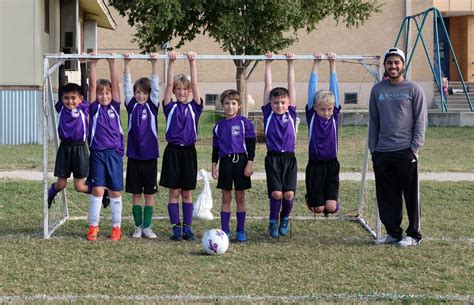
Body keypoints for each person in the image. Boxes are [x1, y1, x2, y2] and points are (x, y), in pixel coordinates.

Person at [369, 47, 427, 247]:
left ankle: (413, 235)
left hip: (405, 151)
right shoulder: (377, 90)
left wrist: (415, 147)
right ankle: (393, 233)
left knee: (410, 194)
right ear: (384, 65)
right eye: (389, 63)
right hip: (382, 152)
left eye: (396, 63)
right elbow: (374, 121)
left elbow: (421, 120)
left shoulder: (413, 89)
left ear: (403, 65)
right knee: (387, 195)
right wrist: (373, 149)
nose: (393, 66)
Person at [159, 51, 203, 241]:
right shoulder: (170, 107)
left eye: (185, 90)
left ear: (189, 92)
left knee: (187, 193)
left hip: (189, 153)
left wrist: (192, 61)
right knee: (174, 192)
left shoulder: (195, 107)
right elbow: (168, 84)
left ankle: (187, 227)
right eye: (179, 89)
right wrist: (171, 63)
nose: (182, 92)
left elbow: (195, 84)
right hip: (173, 152)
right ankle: (176, 227)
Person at [86, 52, 124, 241]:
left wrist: (112, 63)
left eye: (107, 92)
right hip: (98, 154)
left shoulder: (115, 107)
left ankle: (116, 228)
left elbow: (116, 85)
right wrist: (93, 63)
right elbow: (92, 85)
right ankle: (93, 226)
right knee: (98, 189)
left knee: (116, 191)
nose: (103, 95)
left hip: (114, 154)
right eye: (101, 93)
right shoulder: (93, 109)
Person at [211, 89, 256, 242]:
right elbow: (215, 148)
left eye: (234, 103)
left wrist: (250, 162)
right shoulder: (218, 126)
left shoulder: (244, 123)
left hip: (241, 161)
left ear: (239, 106)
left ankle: (241, 230)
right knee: (226, 197)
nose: (230, 106)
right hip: (225, 163)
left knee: (240, 197)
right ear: (222, 106)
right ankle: (225, 230)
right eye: (227, 103)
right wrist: (213, 165)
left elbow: (251, 144)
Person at [123, 53, 160, 239]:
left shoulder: (153, 106)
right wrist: (127, 63)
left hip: (150, 157)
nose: (141, 95)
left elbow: (155, 88)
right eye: (138, 92)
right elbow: (126, 87)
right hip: (134, 157)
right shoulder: (131, 106)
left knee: (149, 195)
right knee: (136, 194)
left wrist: (154, 64)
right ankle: (137, 227)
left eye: (144, 92)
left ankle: (147, 227)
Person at [262, 52, 297, 239]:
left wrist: (290, 63)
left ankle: (285, 218)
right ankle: (273, 220)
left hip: (289, 159)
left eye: (283, 102)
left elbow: (291, 86)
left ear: (289, 102)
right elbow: (268, 86)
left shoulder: (291, 113)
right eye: (276, 102)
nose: (279, 105)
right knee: (276, 194)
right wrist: (268, 64)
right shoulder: (268, 114)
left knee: (289, 194)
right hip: (273, 158)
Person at [305, 52, 341, 216]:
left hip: (332, 164)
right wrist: (316, 63)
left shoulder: (334, 116)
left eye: (329, 109)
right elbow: (312, 88)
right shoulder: (312, 115)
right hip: (315, 165)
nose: (326, 112)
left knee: (331, 208)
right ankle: (311, 199)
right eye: (322, 109)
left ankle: (330, 204)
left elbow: (335, 90)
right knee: (318, 209)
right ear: (315, 108)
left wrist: (332, 63)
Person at [47, 83, 91, 208]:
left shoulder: (83, 107)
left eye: (73, 98)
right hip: (64, 149)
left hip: (80, 148)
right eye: (66, 98)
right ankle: (50, 194)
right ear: (62, 98)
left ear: (81, 99)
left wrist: (83, 64)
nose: (70, 101)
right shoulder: (61, 107)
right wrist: (62, 66)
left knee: (79, 186)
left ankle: (103, 193)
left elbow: (84, 86)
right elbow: (61, 87)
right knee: (61, 185)